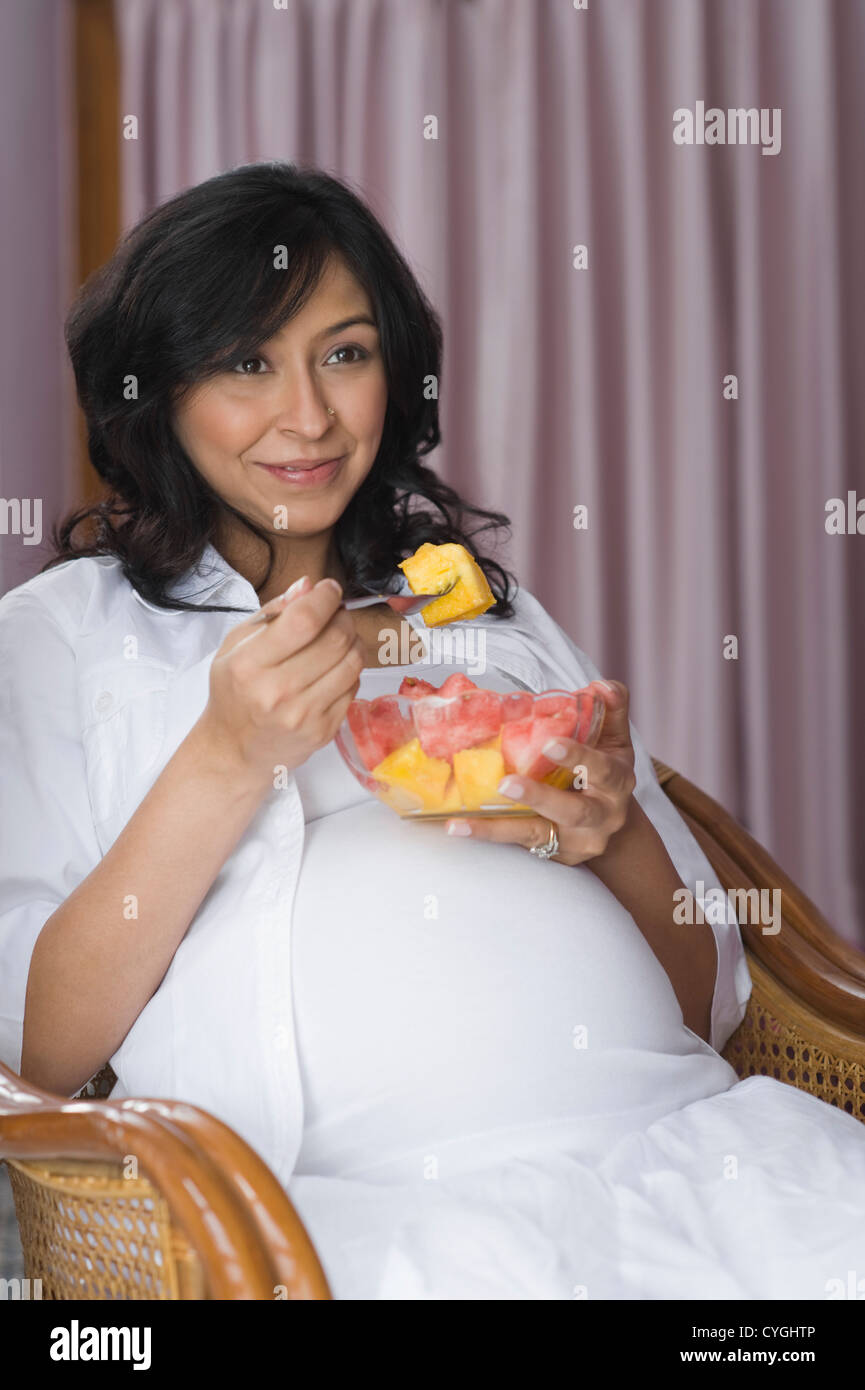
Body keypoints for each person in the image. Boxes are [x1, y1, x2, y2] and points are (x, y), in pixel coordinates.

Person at [1, 162, 863, 1301]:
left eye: (345, 354)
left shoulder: (480, 613)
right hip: (341, 1211)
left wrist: (607, 830)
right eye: (245, 362)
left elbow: (707, 995)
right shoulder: (62, 633)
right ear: (156, 390)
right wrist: (225, 757)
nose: (307, 416)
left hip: (684, 1157)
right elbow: (37, 1052)